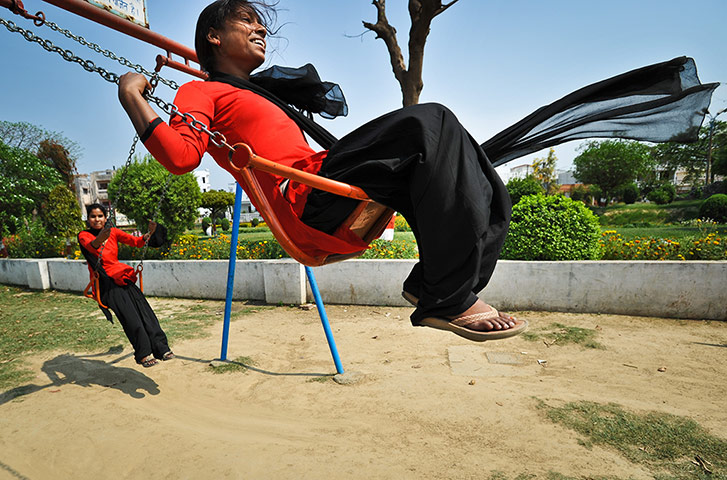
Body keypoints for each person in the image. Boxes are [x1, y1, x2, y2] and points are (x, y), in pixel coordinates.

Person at [117, 0, 717, 342]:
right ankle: (444, 295)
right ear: (214, 35)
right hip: (309, 205)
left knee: (469, 165)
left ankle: (436, 286)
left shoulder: (255, 90)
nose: (261, 29)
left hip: (337, 194)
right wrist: (132, 94)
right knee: (430, 121)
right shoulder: (202, 92)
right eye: (247, 21)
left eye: (262, 22)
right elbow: (180, 157)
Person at [78, 204, 173, 367]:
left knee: (146, 312)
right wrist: (102, 237)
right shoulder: (83, 235)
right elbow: (92, 246)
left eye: (100, 216)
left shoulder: (113, 232)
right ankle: (143, 354)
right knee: (131, 318)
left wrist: (149, 233)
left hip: (122, 277)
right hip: (105, 283)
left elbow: (136, 242)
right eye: (93, 216)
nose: (97, 219)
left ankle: (161, 348)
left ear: (105, 217)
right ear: (88, 219)